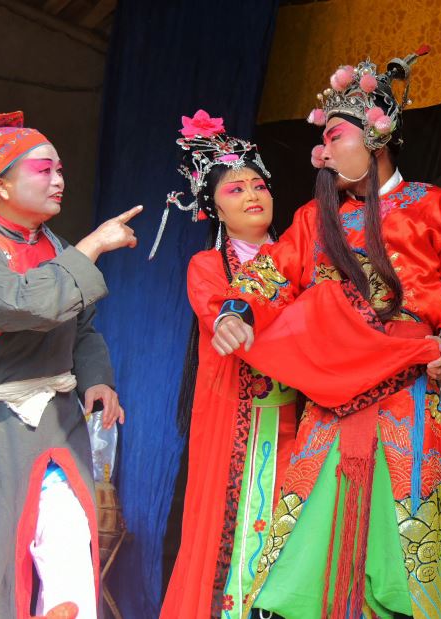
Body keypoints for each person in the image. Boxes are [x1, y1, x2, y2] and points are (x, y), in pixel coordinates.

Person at [209, 47, 441, 618]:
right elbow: (272, 273)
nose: (323, 151)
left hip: (406, 384)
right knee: (310, 521)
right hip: (333, 388)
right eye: (324, 141)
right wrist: (235, 311)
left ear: (376, 137)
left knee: (403, 531)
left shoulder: (433, 207)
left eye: (336, 137)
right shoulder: (315, 219)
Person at [0, 112, 139, 618]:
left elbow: (79, 325)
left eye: (60, 170)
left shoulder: (54, 248)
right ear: (0, 184)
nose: (59, 180)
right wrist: (93, 246)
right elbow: (24, 304)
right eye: (43, 170)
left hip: (56, 426)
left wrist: (97, 379)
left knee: (68, 555)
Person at [157, 111, 298, 619]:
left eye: (257, 184)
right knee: (230, 525)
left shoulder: (302, 260)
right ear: (213, 206)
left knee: (293, 526)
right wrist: (233, 323)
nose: (252, 195)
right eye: (235, 190)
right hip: (233, 415)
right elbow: (221, 316)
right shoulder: (208, 267)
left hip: (298, 417)